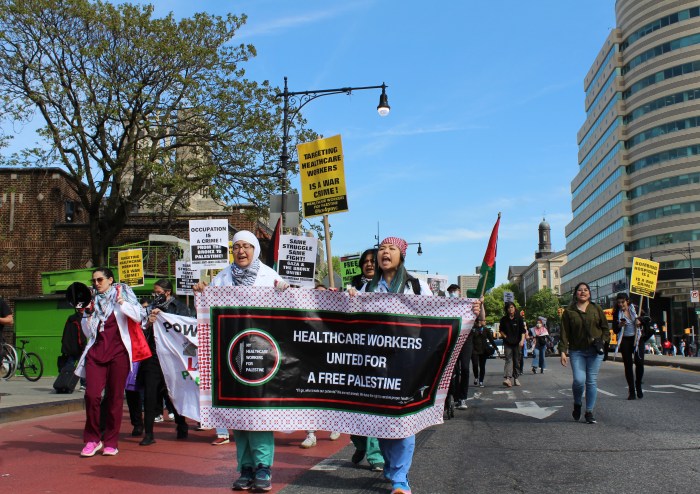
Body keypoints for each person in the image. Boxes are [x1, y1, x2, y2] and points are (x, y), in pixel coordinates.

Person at [350, 236, 481, 494]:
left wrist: (471, 308)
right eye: (381, 249)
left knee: (404, 419)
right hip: (377, 365)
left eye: (391, 249)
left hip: (409, 363)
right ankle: (391, 464)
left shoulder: (417, 286)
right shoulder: (367, 289)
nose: (384, 253)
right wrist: (349, 298)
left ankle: (400, 478)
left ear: (402, 256)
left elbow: (441, 312)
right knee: (382, 421)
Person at [194, 230, 289, 493]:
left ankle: (263, 468)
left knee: (259, 414)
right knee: (237, 414)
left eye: (247, 246)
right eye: (237, 247)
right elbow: (209, 314)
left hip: (261, 357)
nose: (242, 251)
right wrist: (202, 293)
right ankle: (245, 469)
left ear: (256, 249)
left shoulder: (270, 276)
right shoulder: (222, 278)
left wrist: (284, 290)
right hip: (232, 356)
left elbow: (287, 310)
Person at [76, 267, 146, 457]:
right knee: (91, 396)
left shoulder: (123, 295)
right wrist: (87, 313)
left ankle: (111, 442)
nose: (96, 284)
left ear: (110, 280)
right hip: (96, 354)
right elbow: (88, 332)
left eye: (100, 280)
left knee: (114, 398)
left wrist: (122, 302)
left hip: (119, 355)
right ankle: (92, 439)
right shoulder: (91, 301)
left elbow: (140, 316)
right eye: (94, 281)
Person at [138, 279, 193, 445]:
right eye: (154, 292)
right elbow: (141, 328)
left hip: (172, 357)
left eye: (158, 292)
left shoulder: (181, 308)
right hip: (153, 357)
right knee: (149, 394)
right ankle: (148, 434)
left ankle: (181, 424)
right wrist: (149, 321)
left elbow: (188, 328)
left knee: (173, 392)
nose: (155, 295)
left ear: (167, 292)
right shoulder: (150, 308)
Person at [558, 282, 609, 424]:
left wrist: (603, 341)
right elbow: (564, 333)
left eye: (586, 290)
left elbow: (605, 329)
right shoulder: (569, 312)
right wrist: (563, 351)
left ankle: (589, 412)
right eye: (580, 290)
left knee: (591, 381)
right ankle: (577, 403)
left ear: (589, 293)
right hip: (577, 351)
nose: (583, 292)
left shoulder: (596, 308)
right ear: (575, 294)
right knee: (579, 380)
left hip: (594, 351)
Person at [300, 283, 341, 448]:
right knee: (309, 398)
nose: (320, 296)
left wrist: (337, 298)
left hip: (330, 362)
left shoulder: (334, 312)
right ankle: (310, 434)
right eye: (317, 293)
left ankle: (335, 425)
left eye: (324, 293)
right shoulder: (306, 313)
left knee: (331, 395)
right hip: (310, 362)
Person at [611, 292, 645, 400]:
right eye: (619, 302)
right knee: (628, 365)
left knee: (639, 363)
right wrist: (619, 325)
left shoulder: (635, 309)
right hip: (625, 339)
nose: (621, 304)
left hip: (637, 338)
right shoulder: (616, 313)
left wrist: (640, 320)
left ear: (627, 301)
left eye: (623, 302)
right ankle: (631, 391)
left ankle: (638, 385)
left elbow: (647, 318)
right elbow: (615, 330)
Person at [499, 302, 526, 387]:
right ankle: (508, 378)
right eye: (508, 308)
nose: (510, 309)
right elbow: (501, 330)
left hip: (517, 343)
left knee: (516, 360)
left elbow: (523, 331)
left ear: (514, 308)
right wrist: (505, 336)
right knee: (508, 359)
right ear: (506, 310)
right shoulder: (504, 319)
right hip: (508, 343)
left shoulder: (519, 318)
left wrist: (522, 341)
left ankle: (516, 378)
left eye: (512, 307)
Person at [60, 307, 87, 387]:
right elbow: (81, 335)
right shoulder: (81, 319)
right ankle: (83, 384)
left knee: (69, 365)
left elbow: (65, 333)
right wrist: (83, 346)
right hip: (79, 347)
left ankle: (65, 381)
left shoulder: (70, 318)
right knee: (83, 364)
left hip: (70, 347)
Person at [471, 320, 499, 387]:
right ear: (479, 321)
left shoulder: (486, 329)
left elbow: (491, 339)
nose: (485, 322)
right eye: (483, 320)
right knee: (475, 364)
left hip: (484, 350)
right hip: (474, 350)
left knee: (482, 366)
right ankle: (476, 377)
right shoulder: (473, 329)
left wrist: (496, 348)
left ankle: (481, 381)